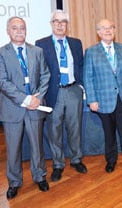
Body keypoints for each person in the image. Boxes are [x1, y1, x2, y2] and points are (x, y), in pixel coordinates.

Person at [0, 16, 50, 199]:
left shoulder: (37, 51)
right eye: (15, 28)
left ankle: (40, 176)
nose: (19, 31)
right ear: (8, 31)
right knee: (13, 149)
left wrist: (38, 98)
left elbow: (45, 76)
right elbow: (2, 82)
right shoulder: (0, 53)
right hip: (13, 108)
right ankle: (14, 182)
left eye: (22, 28)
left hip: (36, 106)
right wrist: (26, 99)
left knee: (37, 146)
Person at [35, 10, 87, 181]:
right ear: (51, 23)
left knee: (75, 127)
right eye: (56, 21)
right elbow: (39, 70)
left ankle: (76, 159)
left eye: (63, 21)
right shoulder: (41, 44)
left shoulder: (76, 43)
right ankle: (58, 164)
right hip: (53, 92)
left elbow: (80, 65)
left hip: (73, 90)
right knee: (54, 130)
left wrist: (80, 86)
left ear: (67, 25)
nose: (59, 24)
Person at [83, 19, 122, 173]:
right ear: (98, 33)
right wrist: (91, 100)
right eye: (104, 28)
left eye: (110, 28)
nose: (108, 31)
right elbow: (88, 77)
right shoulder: (91, 52)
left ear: (114, 31)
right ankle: (111, 160)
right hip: (103, 100)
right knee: (109, 133)